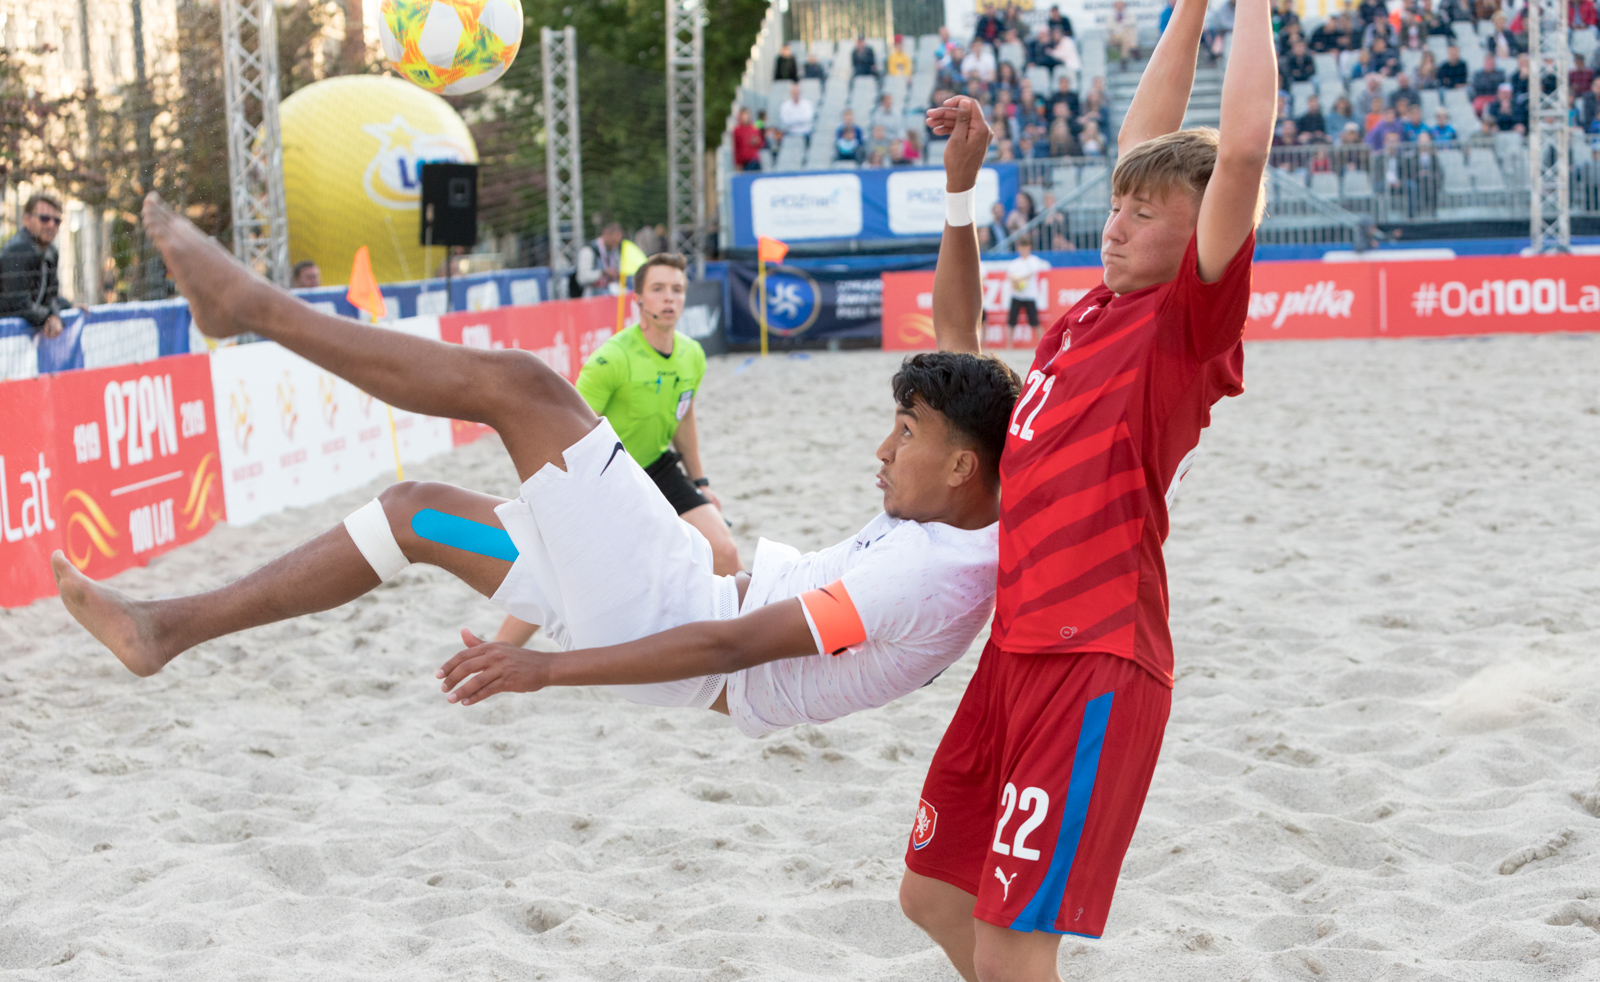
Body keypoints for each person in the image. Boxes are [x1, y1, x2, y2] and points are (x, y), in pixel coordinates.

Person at [61, 194, 1024, 740]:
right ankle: (163, 630)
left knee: (520, 386)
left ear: (963, 465)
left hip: (672, 610)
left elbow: (728, 649)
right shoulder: (955, 504)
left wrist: (545, 667)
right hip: (651, 590)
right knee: (417, 514)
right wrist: (957, 191)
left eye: (904, 432)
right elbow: (958, 335)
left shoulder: (929, 568)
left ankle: (254, 309)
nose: (882, 448)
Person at [909, 0, 1274, 982]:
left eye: (1146, 215)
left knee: (1013, 961)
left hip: (1094, 661)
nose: (1117, 222)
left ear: (1194, 238)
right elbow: (1139, 148)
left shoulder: (1181, 325)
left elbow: (1237, 149)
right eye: (1117, 206)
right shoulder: (1084, 316)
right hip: (1014, 655)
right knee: (932, 896)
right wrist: (1188, 10)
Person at [492, 252, 743, 646]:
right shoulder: (612, 359)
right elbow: (561, 428)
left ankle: (733, 645)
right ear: (638, 299)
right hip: (608, 476)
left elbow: (684, 417)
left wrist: (700, 480)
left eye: (677, 290)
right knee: (561, 575)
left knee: (725, 551)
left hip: (659, 468)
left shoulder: (692, 353)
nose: (669, 299)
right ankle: (496, 650)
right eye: (658, 289)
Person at [1, 192, 71, 339]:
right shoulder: (18, 250)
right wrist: (48, 317)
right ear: (27, 219)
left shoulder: (51, 251)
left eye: (57, 221)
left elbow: (50, 297)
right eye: (44, 218)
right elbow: (15, 304)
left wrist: (67, 306)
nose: (51, 225)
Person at [1002, 233, 1047, 344]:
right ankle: (1009, 346)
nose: (1023, 249)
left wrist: (1018, 279)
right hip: (1017, 295)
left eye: (1025, 247)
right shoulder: (1015, 263)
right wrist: (1015, 281)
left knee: (1035, 322)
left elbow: (1031, 274)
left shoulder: (1034, 260)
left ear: (1029, 247)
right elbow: (1009, 276)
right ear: (1018, 248)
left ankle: (1042, 344)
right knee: (1011, 322)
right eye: (1021, 247)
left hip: (1030, 295)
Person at [574, 221, 622, 298]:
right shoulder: (589, 250)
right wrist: (602, 273)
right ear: (605, 234)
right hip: (592, 298)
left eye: (617, 242)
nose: (615, 245)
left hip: (609, 296)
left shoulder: (614, 251)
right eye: (613, 241)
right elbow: (581, 278)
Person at [1107, 0, 1142, 65]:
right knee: (1128, 33)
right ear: (1115, 5)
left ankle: (1124, 59)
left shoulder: (1128, 12)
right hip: (1115, 36)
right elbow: (1110, 27)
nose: (1120, 6)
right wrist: (1123, 25)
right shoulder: (1111, 14)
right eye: (1118, 5)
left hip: (1125, 36)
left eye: (1121, 5)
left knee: (1127, 37)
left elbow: (1133, 21)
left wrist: (1122, 24)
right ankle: (1133, 48)